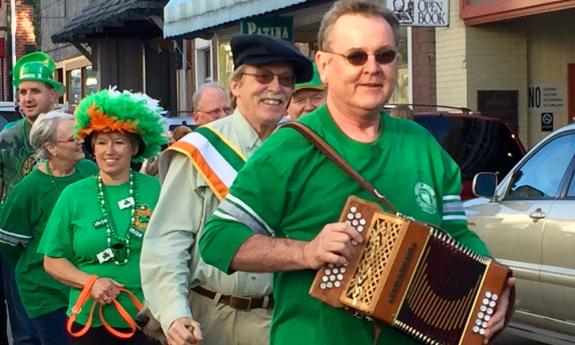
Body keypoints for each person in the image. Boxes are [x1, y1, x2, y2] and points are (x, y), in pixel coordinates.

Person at [199, 1, 515, 345]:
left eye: (385, 55)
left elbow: (457, 234)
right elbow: (218, 239)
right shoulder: (289, 148)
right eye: (356, 57)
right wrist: (306, 252)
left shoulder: (421, 145)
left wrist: (493, 284)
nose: (372, 68)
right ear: (325, 64)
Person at [140, 34, 313, 345]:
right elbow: (168, 240)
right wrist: (174, 313)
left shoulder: (302, 148)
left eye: (285, 80)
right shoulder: (202, 149)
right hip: (212, 316)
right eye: (262, 76)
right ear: (236, 85)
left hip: (285, 317)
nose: (275, 87)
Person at [37, 88, 167, 345]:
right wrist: (91, 282)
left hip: (150, 321)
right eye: (102, 142)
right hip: (90, 321)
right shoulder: (73, 195)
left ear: (134, 147)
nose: (110, 150)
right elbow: (52, 260)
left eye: (119, 142)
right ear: (92, 148)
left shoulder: (158, 189)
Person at [0, 111, 98, 345]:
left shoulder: (89, 170)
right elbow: (9, 245)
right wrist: (40, 263)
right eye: (73, 138)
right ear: (51, 148)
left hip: (85, 285)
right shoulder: (27, 190)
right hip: (46, 292)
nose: (81, 141)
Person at [0, 51, 65, 345]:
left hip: (65, 243)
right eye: (22, 91)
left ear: (53, 94)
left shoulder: (74, 133)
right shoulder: (8, 138)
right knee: (25, 330)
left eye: (35, 91)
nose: (27, 98)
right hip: (19, 245)